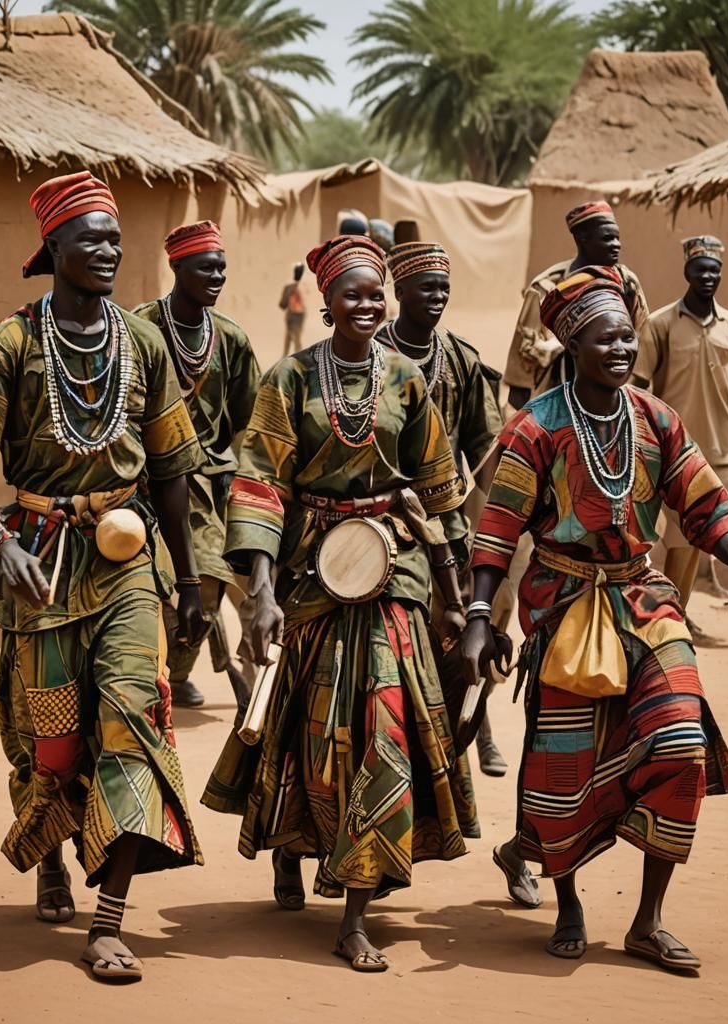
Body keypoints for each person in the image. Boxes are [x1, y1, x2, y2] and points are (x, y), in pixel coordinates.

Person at [0, 170, 210, 983]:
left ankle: (109, 917)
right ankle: (53, 851)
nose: (107, 250)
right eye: (89, 237)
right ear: (51, 247)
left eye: (114, 238)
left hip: (127, 560)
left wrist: (190, 583)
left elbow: (171, 468)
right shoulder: (12, 343)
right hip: (40, 561)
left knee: (135, 716)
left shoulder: (146, 341)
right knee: (52, 741)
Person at [462, 266, 728, 973]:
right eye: (607, 339)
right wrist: (481, 614)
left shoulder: (656, 419)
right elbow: (498, 529)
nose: (623, 349)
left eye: (628, 335)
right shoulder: (536, 427)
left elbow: (705, 497)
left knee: (681, 742)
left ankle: (647, 921)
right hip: (564, 605)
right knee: (566, 767)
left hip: (645, 599)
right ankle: (566, 901)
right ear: (572, 346)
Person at [202, 235, 479, 973]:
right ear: (324, 303)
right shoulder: (288, 380)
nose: (367, 303)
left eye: (375, 293)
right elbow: (259, 483)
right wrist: (259, 594)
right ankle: (291, 843)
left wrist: (458, 597)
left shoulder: (405, 382)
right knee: (307, 723)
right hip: (311, 575)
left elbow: (442, 490)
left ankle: (355, 908)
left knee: (384, 721)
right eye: (352, 293)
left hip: (393, 571)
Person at [375, 241, 509, 779]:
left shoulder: (463, 361)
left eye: (444, 288)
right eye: (427, 287)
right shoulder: (370, 352)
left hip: (447, 518)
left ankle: (480, 731)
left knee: (461, 629)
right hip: (381, 518)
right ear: (399, 291)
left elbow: (485, 445)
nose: (437, 297)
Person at [133, 221, 260, 710]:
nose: (218, 276)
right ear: (176, 266)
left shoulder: (230, 339)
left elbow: (250, 421)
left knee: (206, 578)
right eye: (206, 267)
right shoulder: (142, 327)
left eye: (222, 268)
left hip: (208, 486)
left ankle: (177, 670)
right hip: (145, 480)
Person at [634, 236, 728, 609]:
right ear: (687, 272)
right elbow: (638, 387)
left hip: (722, 452)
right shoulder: (661, 324)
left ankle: (678, 611)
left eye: (714, 270)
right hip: (673, 453)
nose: (707, 277)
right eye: (700, 270)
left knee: (703, 537)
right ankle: (670, 613)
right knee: (677, 539)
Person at [503, 200, 649, 409]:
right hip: (557, 401)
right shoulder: (547, 287)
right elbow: (524, 362)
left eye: (617, 238)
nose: (616, 244)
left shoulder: (626, 283)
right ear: (582, 238)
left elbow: (643, 339)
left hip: (614, 398)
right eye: (607, 238)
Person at [278, 262, 307, 356]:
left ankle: (293, 360)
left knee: (292, 339)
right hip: (297, 315)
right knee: (292, 339)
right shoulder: (303, 286)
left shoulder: (290, 286)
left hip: (295, 315)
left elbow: (282, 304)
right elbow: (283, 304)